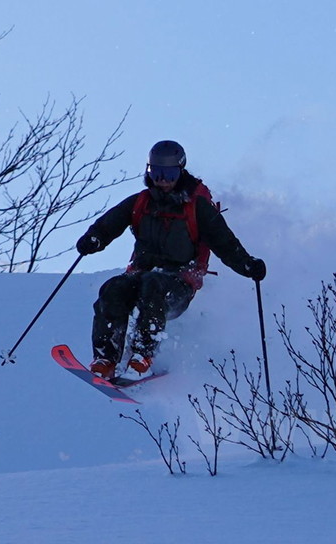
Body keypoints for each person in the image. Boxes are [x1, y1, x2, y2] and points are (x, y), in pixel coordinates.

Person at [75, 140, 266, 378]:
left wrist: (247, 265)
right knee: (113, 288)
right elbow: (109, 223)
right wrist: (94, 239)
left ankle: (143, 355)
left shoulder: (197, 208)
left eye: (169, 173)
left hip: (180, 283)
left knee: (154, 285)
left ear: (180, 171)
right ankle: (106, 358)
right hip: (141, 274)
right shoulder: (141, 202)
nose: (162, 180)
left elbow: (224, 243)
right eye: (156, 173)